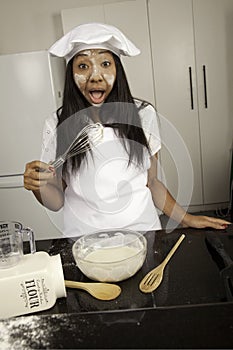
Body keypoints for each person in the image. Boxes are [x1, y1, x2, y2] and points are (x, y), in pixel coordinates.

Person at [24, 23, 230, 237]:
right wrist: (38, 186)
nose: (96, 76)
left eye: (105, 63)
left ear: (117, 70)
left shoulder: (143, 114)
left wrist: (187, 219)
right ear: (71, 74)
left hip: (143, 235)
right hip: (85, 241)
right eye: (83, 66)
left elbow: (151, 182)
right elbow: (56, 201)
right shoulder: (57, 123)